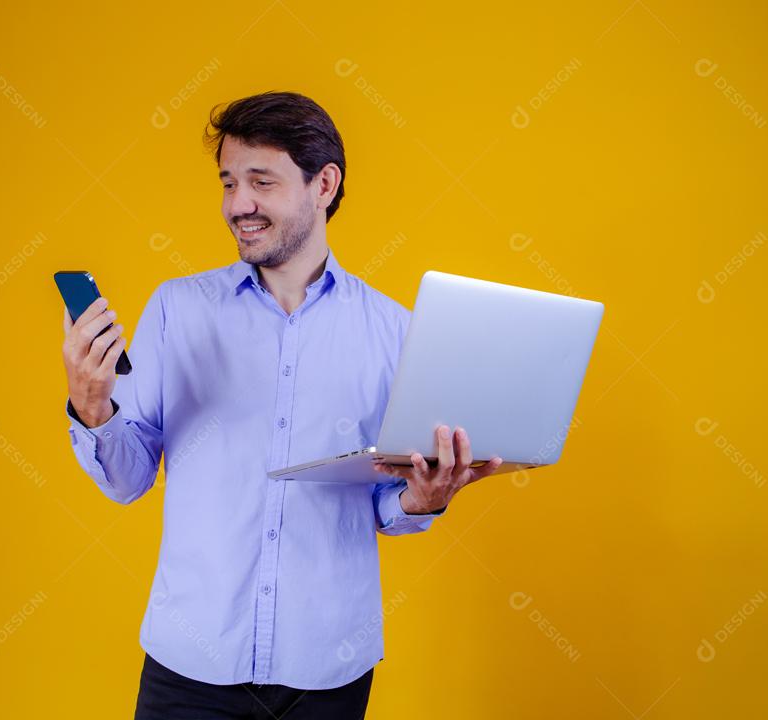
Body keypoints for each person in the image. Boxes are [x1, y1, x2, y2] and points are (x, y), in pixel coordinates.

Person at [61, 91, 503, 719]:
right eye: (228, 183)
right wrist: (92, 406)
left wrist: (423, 500)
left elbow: (384, 501)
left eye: (260, 182)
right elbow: (128, 481)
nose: (237, 205)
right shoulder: (177, 309)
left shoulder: (395, 332)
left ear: (324, 184)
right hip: (192, 664)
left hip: (327, 670)